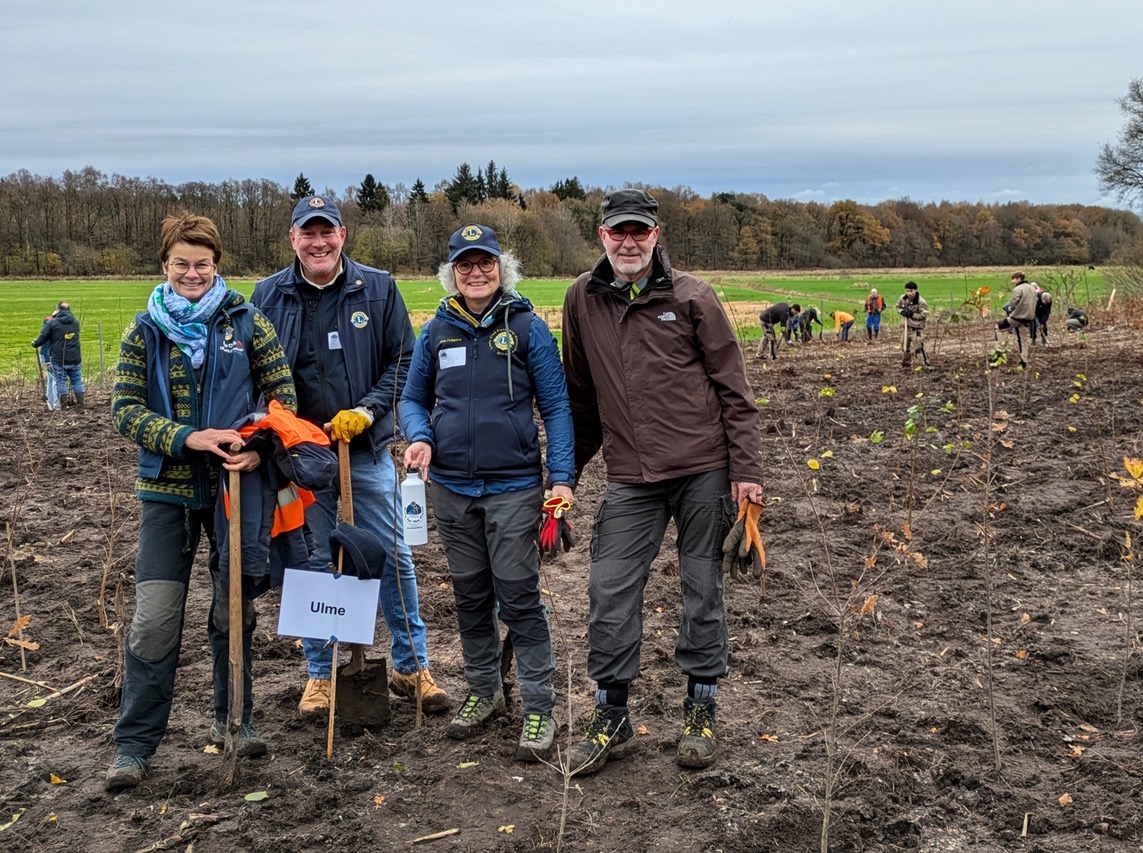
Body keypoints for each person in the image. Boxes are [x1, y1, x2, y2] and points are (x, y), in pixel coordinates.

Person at [560, 188, 764, 775]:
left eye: (639, 232)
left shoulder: (693, 296)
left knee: (702, 587)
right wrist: (564, 477)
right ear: (602, 235)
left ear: (655, 234)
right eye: (617, 232)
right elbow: (580, 399)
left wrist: (746, 473)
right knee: (609, 586)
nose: (628, 242)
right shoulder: (582, 299)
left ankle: (701, 707)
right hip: (630, 473)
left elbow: (735, 392)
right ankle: (611, 712)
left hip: (703, 469)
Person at [106, 213, 297, 791]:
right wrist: (186, 437)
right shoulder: (144, 330)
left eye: (203, 264)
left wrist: (260, 448)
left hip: (233, 489)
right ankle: (134, 746)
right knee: (156, 619)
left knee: (232, 610)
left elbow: (282, 395)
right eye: (182, 264)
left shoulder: (245, 320)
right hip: (166, 492)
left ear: (217, 265)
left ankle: (237, 723)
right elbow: (124, 410)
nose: (193, 273)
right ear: (165, 265)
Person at [253, 195, 448, 717]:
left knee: (393, 558)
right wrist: (286, 432)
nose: (319, 243)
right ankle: (321, 674)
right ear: (292, 239)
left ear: (343, 234)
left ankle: (411, 667)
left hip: (363, 452)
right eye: (307, 233)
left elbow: (404, 361)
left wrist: (367, 409)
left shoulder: (378, 288)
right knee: (314, 565)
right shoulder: (268, 296)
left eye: (328, 232)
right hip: (300, 459)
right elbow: (259, 377)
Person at [399, 224, 574, 762]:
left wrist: (561, 477)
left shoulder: (527, 327)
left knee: (519, 598)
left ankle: (539, 704)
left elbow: (557, 407)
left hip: (515, 488)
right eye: (465, 264)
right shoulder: (435, 332)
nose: (476, 272)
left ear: (502, 267)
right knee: (470, 597)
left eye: (486, 262)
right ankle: (483, 691)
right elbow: (410, 400)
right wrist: (421, 438)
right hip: (451, 488)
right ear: (451, 272)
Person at [31, 301, 84, 407]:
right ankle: (81, 404)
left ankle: (63, 406)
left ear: (58, 309)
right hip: (75, 358)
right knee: (77, 380)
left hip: (59, 359)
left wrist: (35, 343)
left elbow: (43, 338)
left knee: (61, 381)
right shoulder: (75, 322)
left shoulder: (52, 323)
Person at [993, 271, 1037, 369]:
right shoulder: (1032, 288)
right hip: (1029, 318)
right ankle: (1023, 361)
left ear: (1018, 279)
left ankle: (1000, 352)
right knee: (1023, 340)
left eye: (1013, 279)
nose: (1013, 281)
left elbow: (1013, 303)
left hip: (1017, 317)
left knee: (999, 327)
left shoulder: (1018, 289)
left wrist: (1010, 309)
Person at [896, 281, 930, 369]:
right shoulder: (902, 298)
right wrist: (902, 312)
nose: (909, 293)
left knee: (918, 347)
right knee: (904, 346)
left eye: (911, 291)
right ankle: (906, 364)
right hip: (906, 328)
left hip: (916, 328)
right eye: (907, 291)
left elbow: (924, 315)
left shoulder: (921, 302)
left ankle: (925, 364)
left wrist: (912, 315)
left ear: (915, 290)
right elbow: (897, 307)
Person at [36, 316, 60, 410]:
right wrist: (48, 361)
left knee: (51, 379)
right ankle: (56, 404)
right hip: (48, 357)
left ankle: (50, 401)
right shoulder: (51, 331)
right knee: (55, 379)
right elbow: (46, 347)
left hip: (45, 356)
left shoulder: (46, 329)